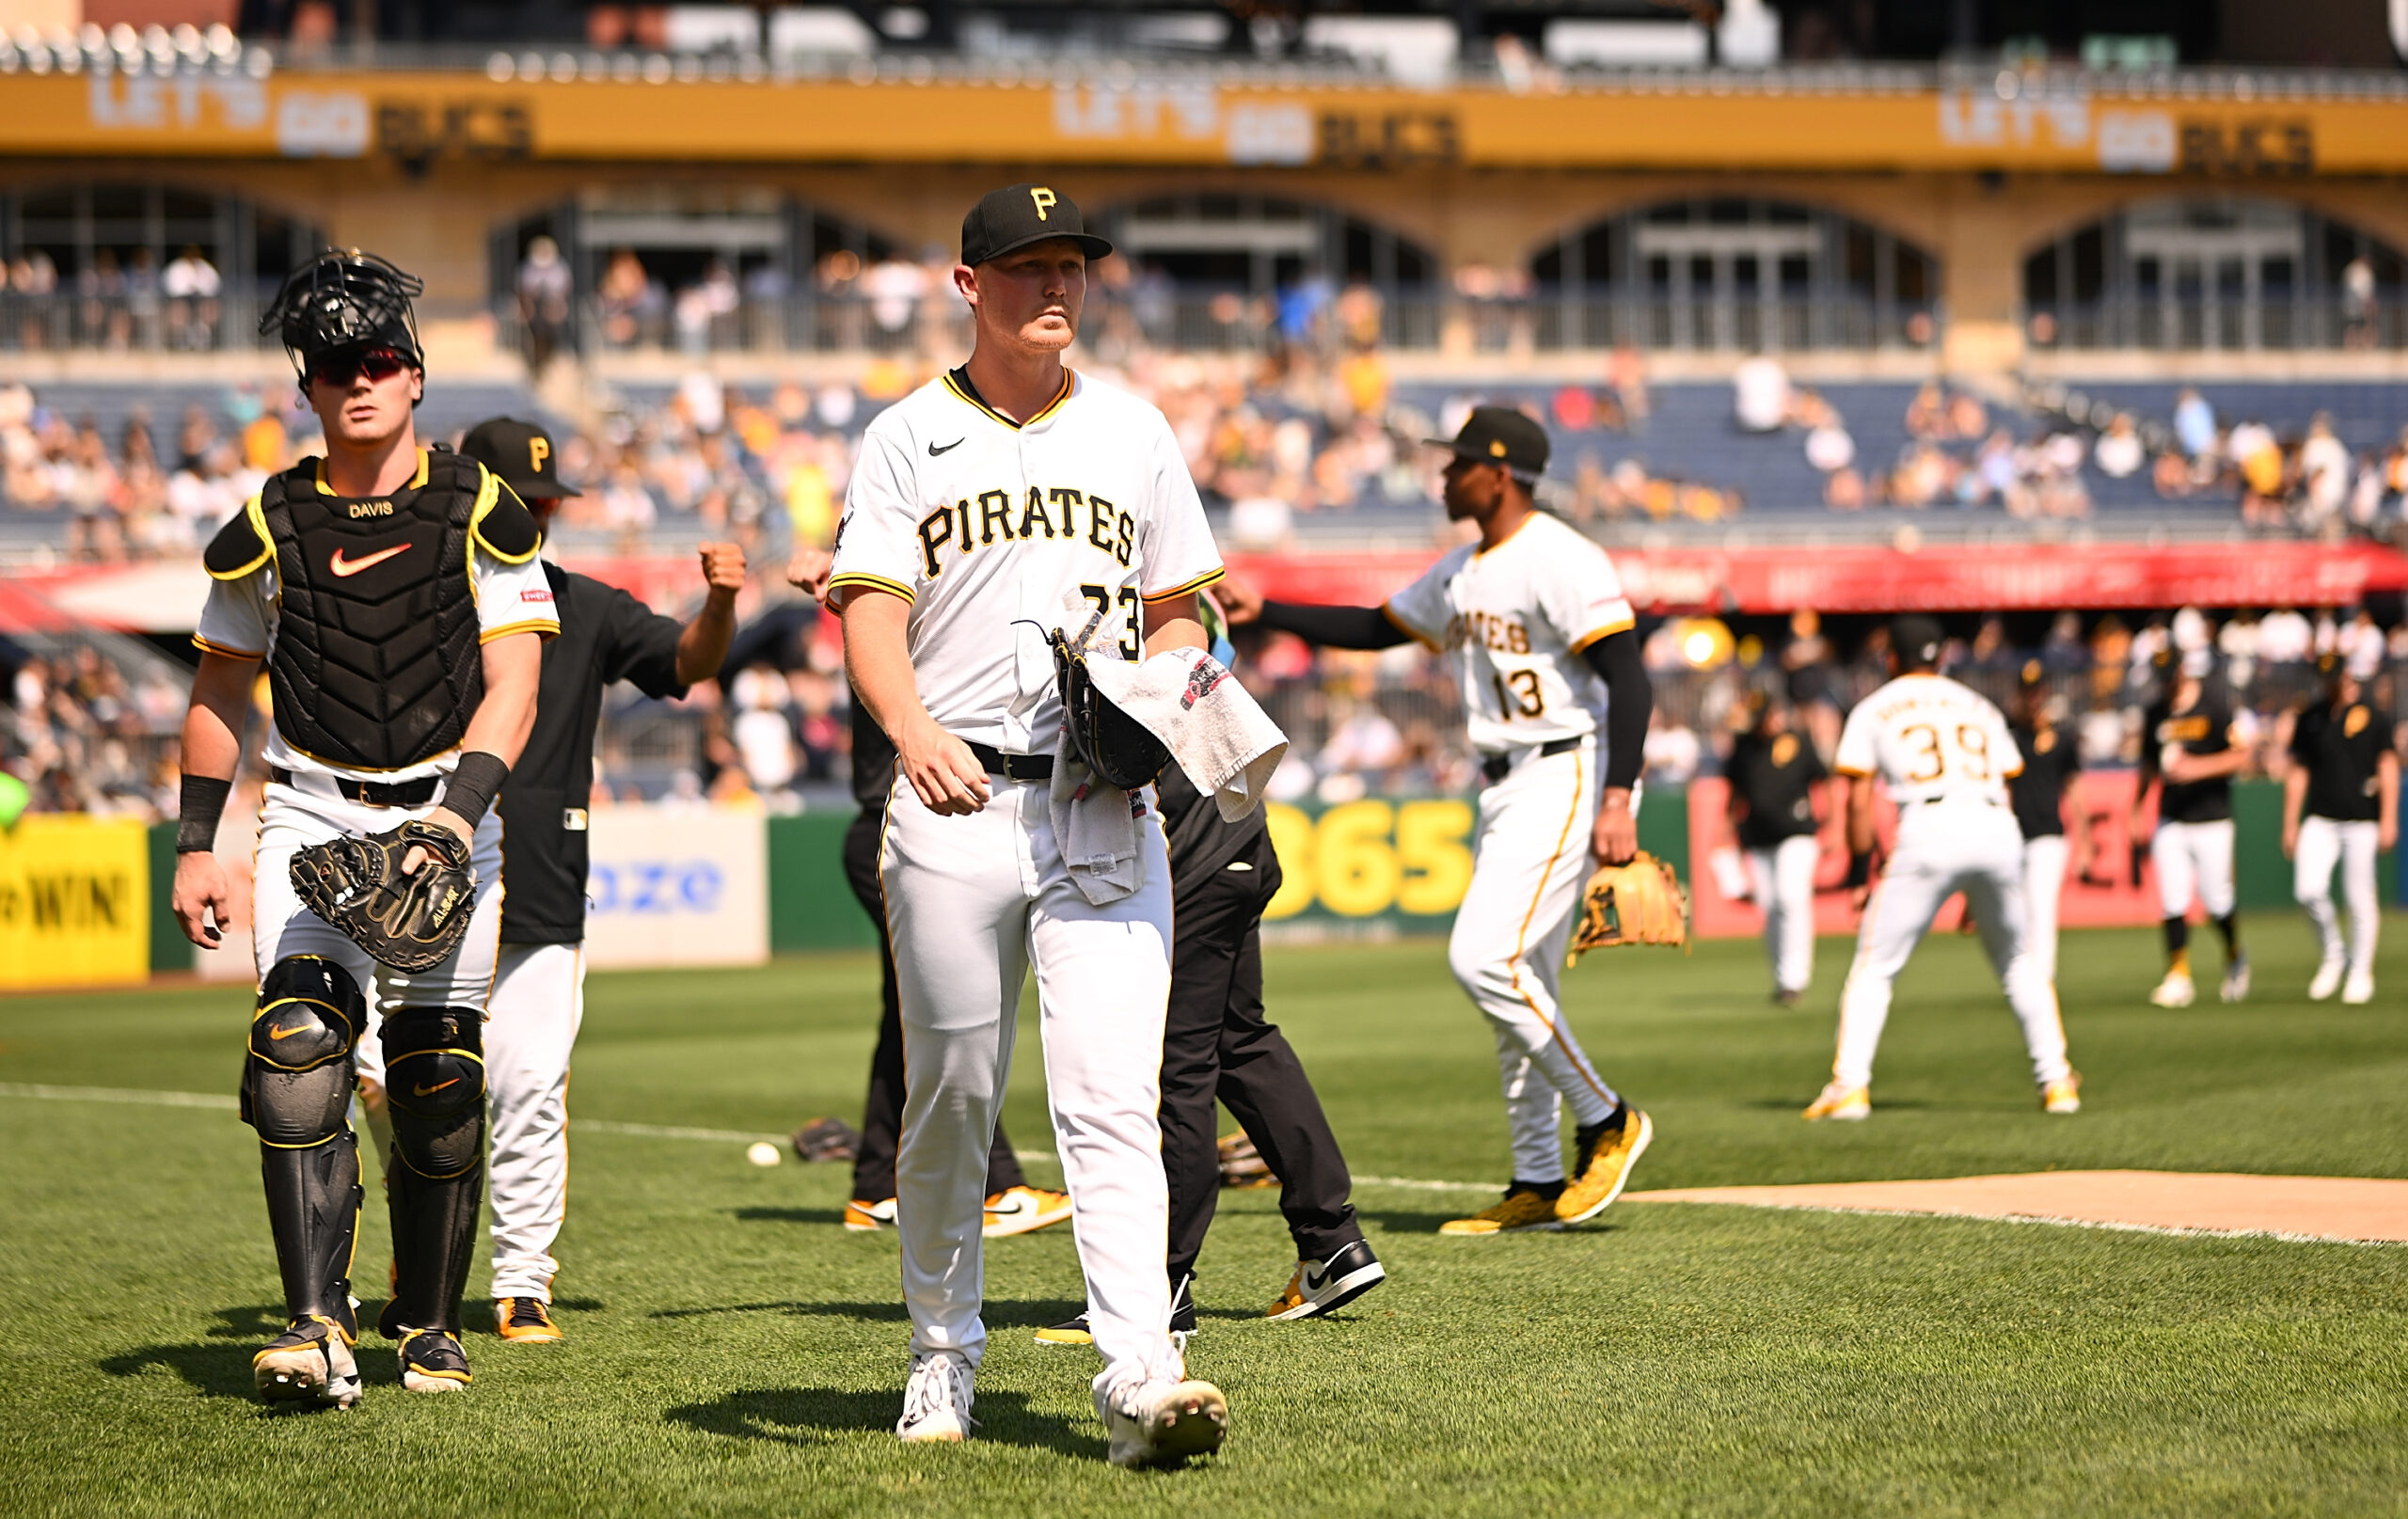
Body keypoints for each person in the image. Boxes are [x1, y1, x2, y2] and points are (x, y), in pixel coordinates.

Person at [821, 183, 1228, 1465]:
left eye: (1073, 265)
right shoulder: (906, 435)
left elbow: (1181, 606)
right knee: (950, 1097)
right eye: (1026, 265)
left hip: (1099, 799)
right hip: (954, 798)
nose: (1055, 285)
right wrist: (911, 730)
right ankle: (942, 1353)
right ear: (968, 284)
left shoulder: (1134, 430)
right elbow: (868, 611)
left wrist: (1165, 698)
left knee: (1111, 1097)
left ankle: (1141, 1371)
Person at [170, 251, 559, 1406]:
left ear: (416, 374)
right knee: (297, 1050)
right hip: (308, 810)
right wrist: (198, 842)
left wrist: (456, 818)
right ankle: (313, 1324)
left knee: (437, 1078)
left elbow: (516, 685)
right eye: (336, 364)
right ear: (308, 385)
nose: (360, 380)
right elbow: (217, 689)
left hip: (448, 810)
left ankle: (429, 1324)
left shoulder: (481, 508)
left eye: (380, 359)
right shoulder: (266, 520)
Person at [351, 417, 744, 1347]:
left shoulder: (586, 605)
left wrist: (722, 602)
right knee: (381, 1080)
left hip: (539, 890)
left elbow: (688, 661)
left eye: (545, 503)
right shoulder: (414, 602)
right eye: (519, 501)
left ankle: (521, 1282)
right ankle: (422, 1240)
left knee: (529, 1086)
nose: (535, 517)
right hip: (418, 885)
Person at [1220, 404, 1656, 1238]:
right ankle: (1537, 1177)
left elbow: (1628, 677)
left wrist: (1617, 796)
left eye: (1458, 464)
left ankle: (1607, 1116)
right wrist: (1266, 608)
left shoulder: (1561, 555)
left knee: (1483, 959)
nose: (1444, 476)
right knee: (1520, 985)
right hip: (1506, 782)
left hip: (1564, 766)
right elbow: (1375, 627)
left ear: (1499, 473)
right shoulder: (1463, 569)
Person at [1035, 593, 1383, 1352]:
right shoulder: (1163, 589)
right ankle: (1332, 1241)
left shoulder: (1120, 589)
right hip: (1233, 837)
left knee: (1178, 1067)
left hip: (1193, 847)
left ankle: (1160, 1285)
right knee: (1241, 1041)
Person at [784, 544, 1072, 1241]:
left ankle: (875, 1185)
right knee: (952, 1010)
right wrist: (844, 583)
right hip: (906, 821)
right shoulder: (913, 607)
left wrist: (840, 583)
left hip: (904, 819)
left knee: (910, 1009)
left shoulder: (912, 599)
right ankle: (994, 1184)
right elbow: (888, 615)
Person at [1805, 616, 2079, 1122]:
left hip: (1929, 823)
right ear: (1943, 657)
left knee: (1876, 967)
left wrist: (1862, 872)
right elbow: (2009, 783)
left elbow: (1858, 801)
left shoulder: (1874, 706)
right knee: (2018, 961)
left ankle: (1849, 1086)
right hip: (1996, 825)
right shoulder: (1978, 705)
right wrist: (1986, 882)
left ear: (1891, 658)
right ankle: (2058, 1081)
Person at [2132, 650, 2250, 1008]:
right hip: (2172, 817)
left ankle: (2234, 953)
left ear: (2182, 670)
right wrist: (2136, 808)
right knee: (2173, 898)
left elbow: (2241, 756)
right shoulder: (2156, 712)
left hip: (2212, 818)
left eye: (2171, 674)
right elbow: (2148, 766)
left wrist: (2196, 769)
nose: (2167, 682)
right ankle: (2178, 974)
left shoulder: (2214, 703)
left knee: (2217, 901)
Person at [2284, 654, 2397, 1005]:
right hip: (2320, 818)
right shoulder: (2311, 716)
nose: (2330, 683)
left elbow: (2388, 765)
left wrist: (2389, 818)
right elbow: (2299, 770)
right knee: (2308, 889)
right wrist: (2290, 822)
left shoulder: (2373, 715)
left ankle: (2361, 971)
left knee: (2360, 898)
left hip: (2362, 818)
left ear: (2347, 675)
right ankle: (2335, 954)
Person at [1725, 691, 1826, 1006]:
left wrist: (1834, 823)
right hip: (1758, 838)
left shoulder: (1797, 741)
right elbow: (1735, 793)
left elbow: (1824, 779)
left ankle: (1795, 978)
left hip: (1797, 832)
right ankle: (1783, 980)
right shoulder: (1744, 747)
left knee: (1790, 898)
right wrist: (1726, 832)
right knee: (1769, 906)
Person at [2006, 661, 2087, 989]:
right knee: (2019, 912)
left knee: (2041, 908)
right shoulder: (2009, 735)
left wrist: (2085, 841)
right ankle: (2025, 977)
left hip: (2049, 836)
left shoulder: (2062, 737)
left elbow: (2075, 791)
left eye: (2037, 691)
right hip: (2014, 837)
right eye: (2027, 692)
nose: (2033, 698)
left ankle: (2042, 981)